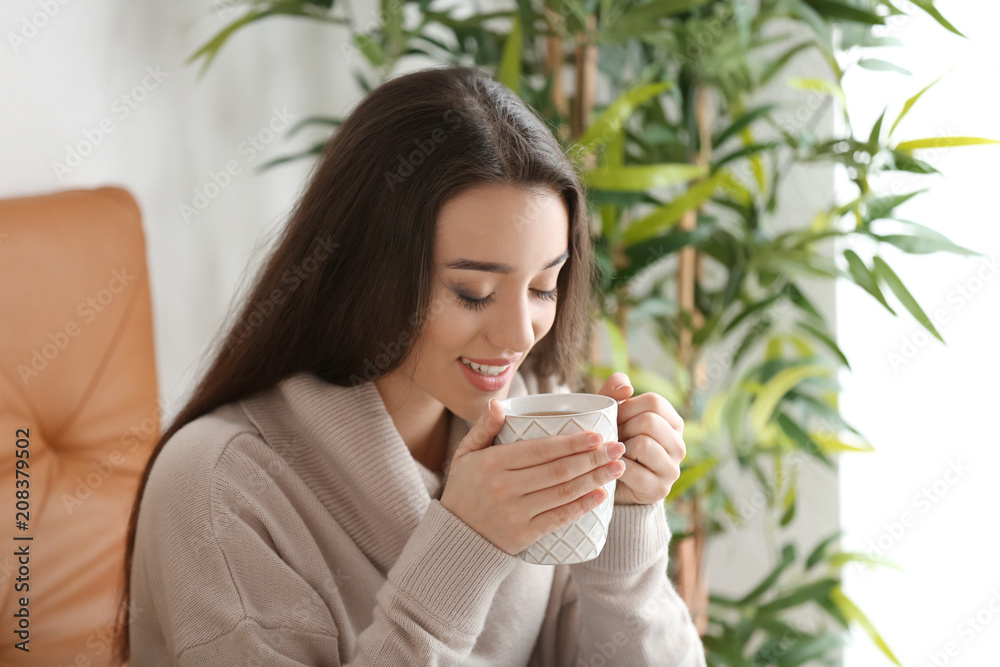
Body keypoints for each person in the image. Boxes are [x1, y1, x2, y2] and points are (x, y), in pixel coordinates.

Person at [113, 65, 706, 666]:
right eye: (473, 291)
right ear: (365, 272)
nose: (519, 333)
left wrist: (626, 537)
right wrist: (463, 551)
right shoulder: (219, 487)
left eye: (545, 287)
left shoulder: (535, 418)